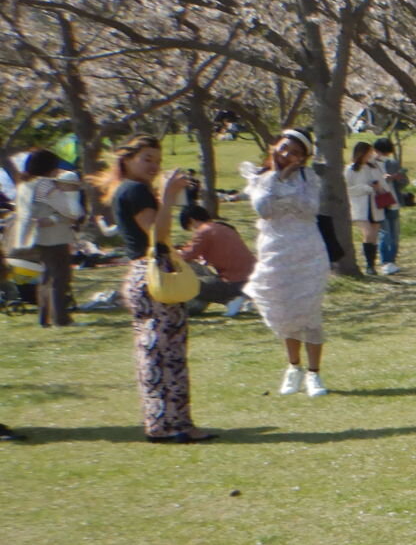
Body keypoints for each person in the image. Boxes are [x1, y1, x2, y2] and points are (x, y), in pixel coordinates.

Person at [102, 137, 212, 442]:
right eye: (147, 158)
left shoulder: (126, 189)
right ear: (128, 159)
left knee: (154, 351)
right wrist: (167, 197)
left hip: (141, 273)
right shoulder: (135, 191)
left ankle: (161, 422)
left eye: (157, 160)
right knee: (167, 353)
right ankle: (175, 425)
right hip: (153, 274)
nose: (154, 166)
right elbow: (157, 235)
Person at [244, 130, 333, 395]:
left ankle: (314, 373)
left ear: (303, 157)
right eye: (284, 148)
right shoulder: (261, 178)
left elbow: (309, 208)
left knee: (308, 311)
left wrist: (285, 194)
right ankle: (294, 367)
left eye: (294, 152)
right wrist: (278, 178)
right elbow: (263, 209)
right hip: (275, 252)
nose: (286, 155)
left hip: (307, 251)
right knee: (283, 309)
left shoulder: (308, 177)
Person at [8, 150, 85, 326]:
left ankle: (45, 317)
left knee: (46, 276)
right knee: (60, 277)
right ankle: (60, 318)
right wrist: (61, 216)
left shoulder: (24, 185)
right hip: (53, 237)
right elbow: (70, 210)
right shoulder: (45, 185)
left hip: (32, 237)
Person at [179, 202, 254, 313]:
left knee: (186, 284)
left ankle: (231, 300)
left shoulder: (204, 231)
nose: (194, 231)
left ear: (192, 220)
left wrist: (173, 253)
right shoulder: (225, 228)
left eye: (191, 228)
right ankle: (241, 299)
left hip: (234, 282)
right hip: (251, 279)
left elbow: (186, 255)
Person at [344, 141, 388, 275]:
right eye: (369, 152)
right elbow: (347, 189)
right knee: (368, 234)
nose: (371, 155)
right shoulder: (350, 169)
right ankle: (369, 264)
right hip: (360, 206)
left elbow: (383, 185)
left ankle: (371, 265)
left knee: (373, 236)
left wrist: (379, 188)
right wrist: (366, 188)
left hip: (375, 205)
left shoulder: (374, 168)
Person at [373, 137, 405, 272]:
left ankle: (392, 261)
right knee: (385, 233)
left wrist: (398, 178)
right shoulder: (370, 164)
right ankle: (386, 261)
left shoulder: (392, 163)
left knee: (394, 234)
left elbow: (404, 183)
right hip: (379, 201)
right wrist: (383, 179)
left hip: (393, 201)